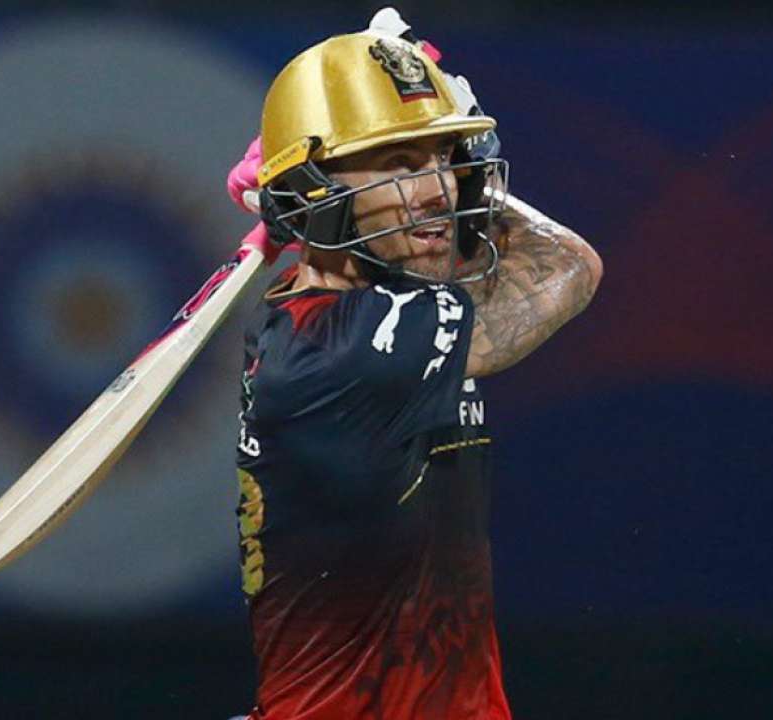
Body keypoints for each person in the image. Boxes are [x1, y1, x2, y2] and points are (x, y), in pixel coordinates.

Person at [228, 14, 602, 719]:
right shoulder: (350, 352)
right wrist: (472, 173)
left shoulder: (317, 317)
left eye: (444, 159)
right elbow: (568, 266)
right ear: (316, 193)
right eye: (400, 165)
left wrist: (304, 188)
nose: (440, 190)